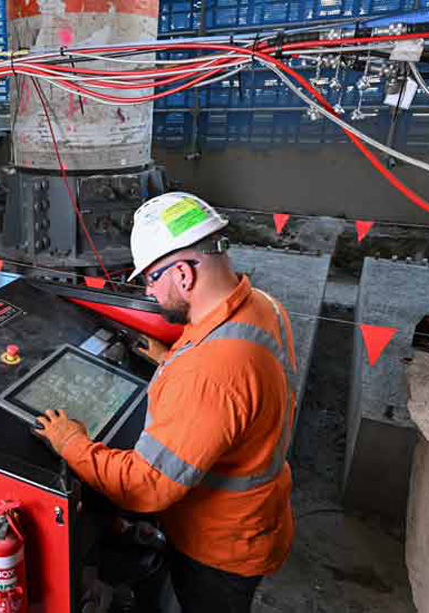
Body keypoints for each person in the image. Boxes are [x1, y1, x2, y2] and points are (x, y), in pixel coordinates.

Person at [35, 192, 296, 613]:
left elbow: (147, 487)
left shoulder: (209, 372)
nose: (149, 292)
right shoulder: (263, 307)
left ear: (183, 274)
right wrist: (167, 359)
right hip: (258, 518)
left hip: (218, 548)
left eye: (151, 279)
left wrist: (72, 444)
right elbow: (234, 379)